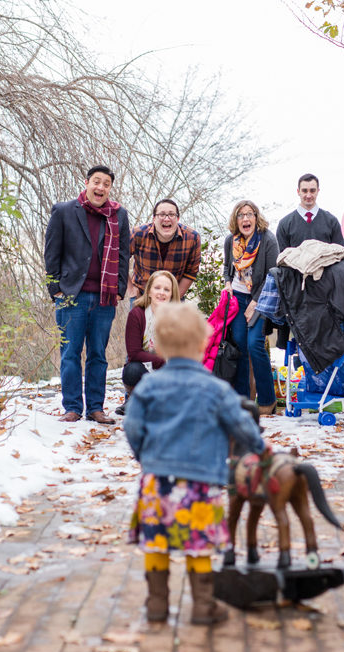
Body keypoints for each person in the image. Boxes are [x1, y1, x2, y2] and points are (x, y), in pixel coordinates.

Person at [124, 302, 264, 625]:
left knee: (157, 543)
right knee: (199, 545)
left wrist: (143, 455)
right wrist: (258, 446)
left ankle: (157, 603)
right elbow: (242, 424)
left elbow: (132, 426)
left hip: (157, 481)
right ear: (203, 344)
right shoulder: (216, 389)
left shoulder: (148, 387)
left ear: (158, 346)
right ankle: (203, 606)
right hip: (201, 484)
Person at [44, 165, 130, 424]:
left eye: (106, 184)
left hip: (105, 298)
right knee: (70, 353)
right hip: (72, 296)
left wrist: (120, 289)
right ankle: (72, 407)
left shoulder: (119, 215)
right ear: (87, 182)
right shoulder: (64, 211)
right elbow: (51, 254)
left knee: (98, 355)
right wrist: (56, 289)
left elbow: (124, 255)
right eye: (96, 182)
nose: (100, 187)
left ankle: (95, 407)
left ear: (110, 188)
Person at [223, 200, 279, 415]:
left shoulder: (268, 240)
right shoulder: (231, 241)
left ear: (256, 217)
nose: (245, 219)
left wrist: (255, 302)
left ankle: (267, 400)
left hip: (262, 298)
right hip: (237, 298)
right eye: (240, 215)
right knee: (239, 347)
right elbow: (227, 269)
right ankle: (244, 402)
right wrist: (227, 283)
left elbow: (272, 275)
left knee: (255, 344)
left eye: (249, 214)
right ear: (235, 220)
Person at [114, 270, 180, 416]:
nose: (161, 293)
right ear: (149, 291)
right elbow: (134, 353)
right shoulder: (137, 314)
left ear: (172, 294)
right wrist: (163, 361)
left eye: (166, 289)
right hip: (145, 368)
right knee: (131, 371)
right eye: (157, 288)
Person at [127, 198, 201, 300]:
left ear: (177, 218)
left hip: (173, 295)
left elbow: (191, 272)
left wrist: (175, 298)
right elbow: (118, 260)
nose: (166, 219)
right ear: (154, 218)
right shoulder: (137, 234)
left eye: (171, 215)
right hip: (142, 295)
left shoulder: (192, 238)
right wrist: (131, 290)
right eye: (161, 214)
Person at [275, 173, 344, 252]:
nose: (308, 195)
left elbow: (340, 255)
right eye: (304, 191)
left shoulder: (332, 221)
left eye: (312, 191)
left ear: (318, 191)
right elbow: (281, 259)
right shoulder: (284, 224)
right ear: (298, 192)